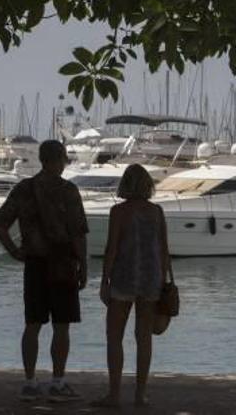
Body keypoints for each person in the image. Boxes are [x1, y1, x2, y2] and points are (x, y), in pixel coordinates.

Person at [0, 140, 88, 403]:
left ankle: (30, 382)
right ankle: (57, 382)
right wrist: (84, 266)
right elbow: (78, 233)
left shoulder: (25, 188)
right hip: (63, 263)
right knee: (61, 326)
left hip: (34, 263)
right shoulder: (68, 191)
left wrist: (14, 251)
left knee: (32, 325)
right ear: (59, 159)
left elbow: (0, 223)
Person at [96, 164, 171, 407]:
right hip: (151, 278)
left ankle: (114, 394)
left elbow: (112, 248)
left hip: (124, 277)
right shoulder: (156, 211)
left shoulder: (119, 211)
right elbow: (163, 248)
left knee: (114, 336)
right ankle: (141, 394)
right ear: (148, 184)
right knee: (144, 338)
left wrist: (104, 281)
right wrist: (165, 279)